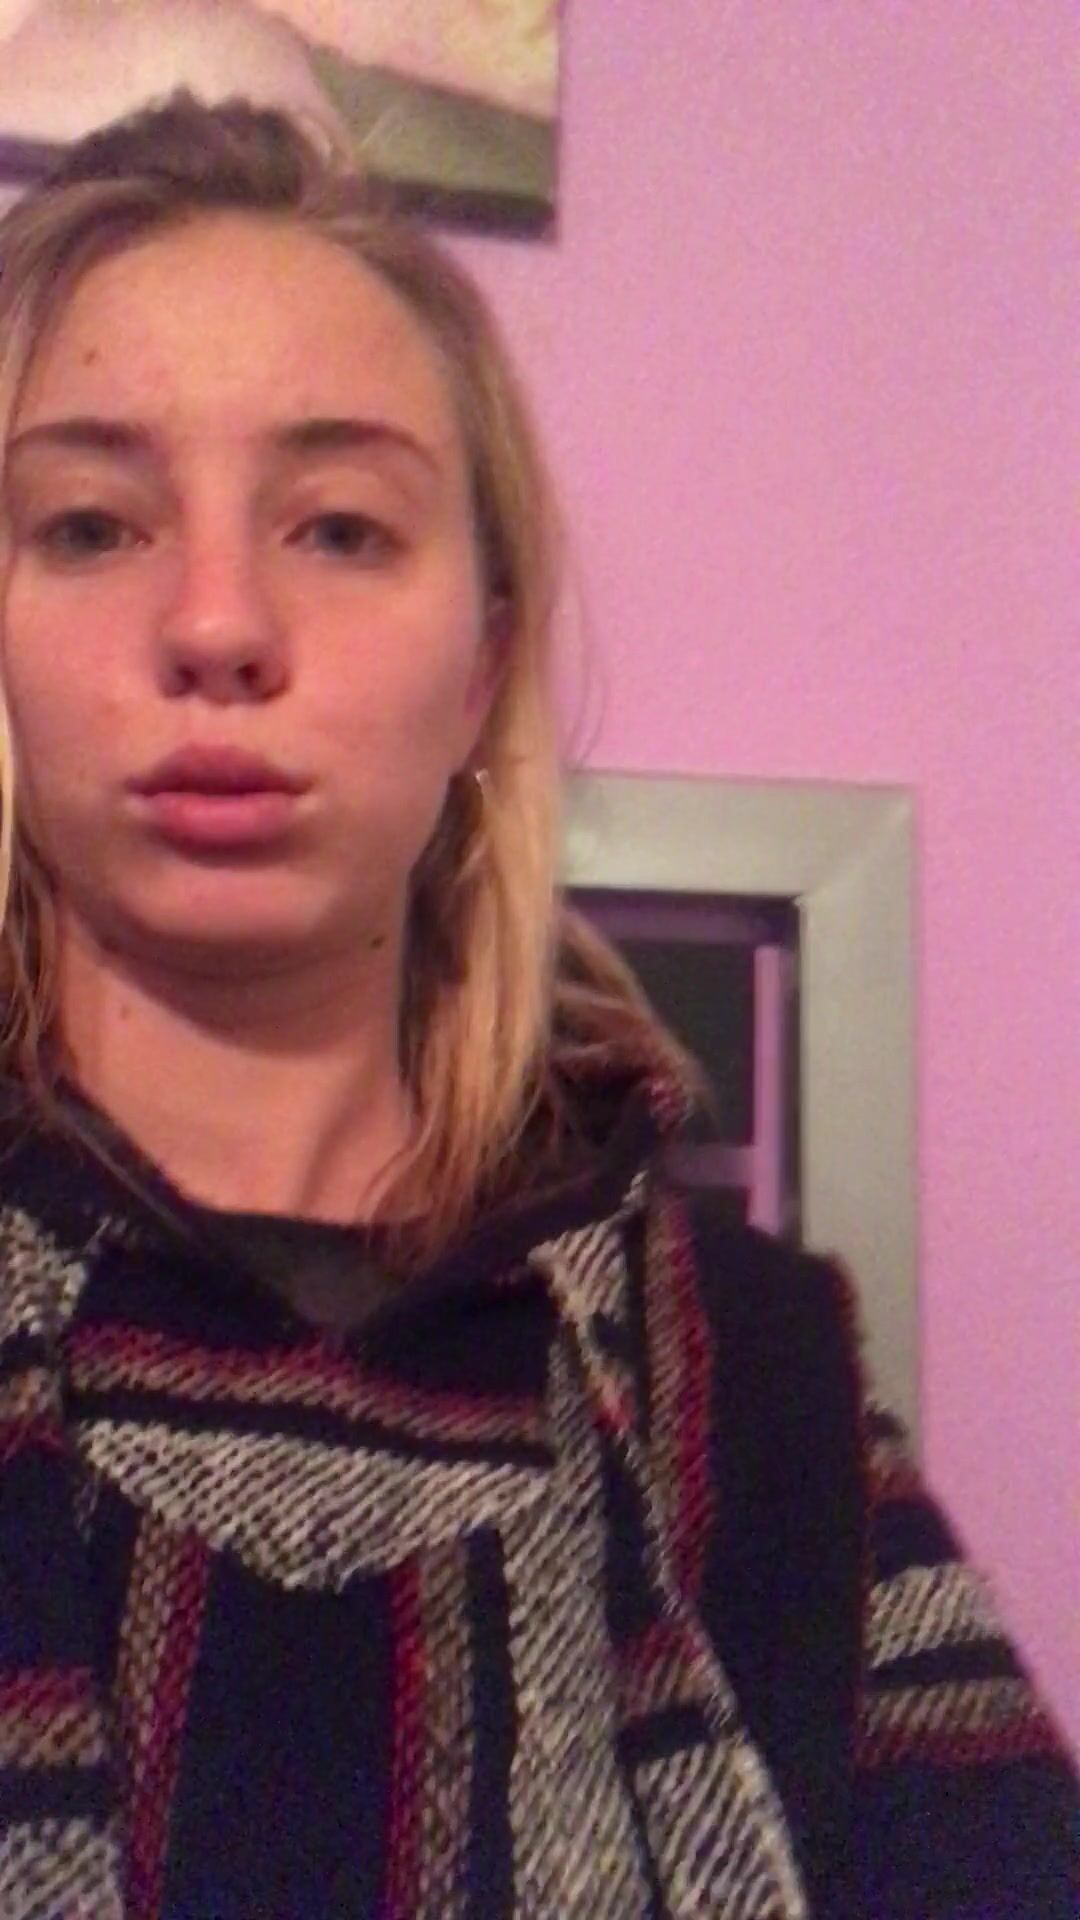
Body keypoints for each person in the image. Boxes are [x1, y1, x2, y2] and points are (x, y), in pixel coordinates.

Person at [0, 90, 1073, 1920]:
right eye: (93, 524)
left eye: (342, 529)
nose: (217, 624)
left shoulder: (761, 1393)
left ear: (485, 646)